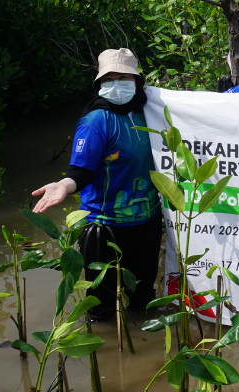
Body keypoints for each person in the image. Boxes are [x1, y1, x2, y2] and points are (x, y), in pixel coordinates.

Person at [32, 48, 162, 320]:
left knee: (144, 299)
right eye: (109, 79)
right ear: (99, 84)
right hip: (106, 227)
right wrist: (65, 185)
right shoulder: (96, 121)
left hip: (148, 222)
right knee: (102, 310)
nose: (116, 85)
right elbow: (81, 170)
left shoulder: (151, 112)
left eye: (124, 77)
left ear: (138, 81)